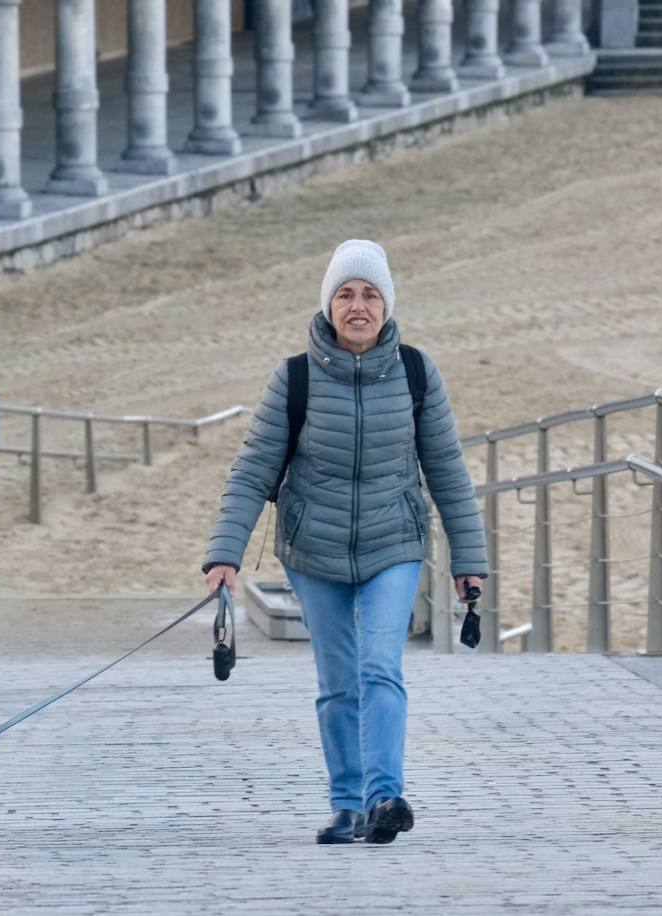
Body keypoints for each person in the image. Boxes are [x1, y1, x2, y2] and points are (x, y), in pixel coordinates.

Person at [202, 240, 486, 845]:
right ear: (328, 305)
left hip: (393, 543)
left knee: (380, 665)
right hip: (315, 548)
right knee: (338, 681)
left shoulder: (416, 373)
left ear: (387, 304)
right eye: (346, 294)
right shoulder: (294, 377)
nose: (359, 306)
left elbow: (447, 469)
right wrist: (225, 555)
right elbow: (252, 470)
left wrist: (469, 559)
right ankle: (348, 804)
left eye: (371, 294)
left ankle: (385, 797)